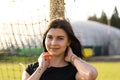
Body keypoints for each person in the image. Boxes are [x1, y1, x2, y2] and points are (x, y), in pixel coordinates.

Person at [22, 18, 98, 80]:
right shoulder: (32, 69)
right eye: (50, 37)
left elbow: (91, 74)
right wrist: (41, 67)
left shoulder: (74, 72)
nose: (53, 43)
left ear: (68, 42)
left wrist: (73, 58)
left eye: (60, 38)